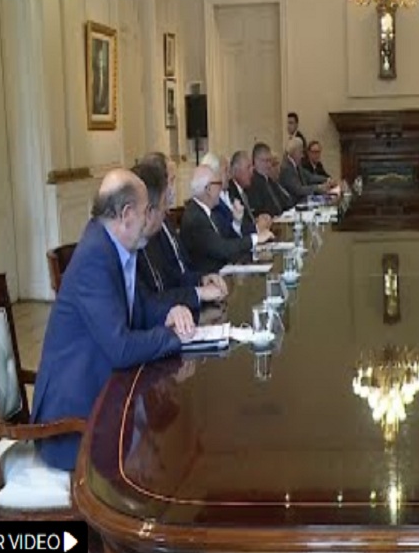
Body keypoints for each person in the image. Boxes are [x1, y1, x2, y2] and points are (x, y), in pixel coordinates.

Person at [31, 168, 195, 471]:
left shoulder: (116, 246)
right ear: (127, 214)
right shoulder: (95, 256)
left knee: (162, 431)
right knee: (155, 457)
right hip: (73, 424)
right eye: (146, 211)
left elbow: (141, 306)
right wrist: (175, 337)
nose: (150, 218)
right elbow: (120, 348)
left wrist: (170, 313)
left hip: (103, 395)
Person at [132, 161, 227, 312]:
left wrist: (201, 280)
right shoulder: (134, 246)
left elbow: (171, 277)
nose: (165, 213)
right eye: (163, 207)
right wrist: (198, 294)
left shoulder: (149, 239)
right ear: (149, 211)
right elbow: (150, 302)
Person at [180, 165, 273, 273]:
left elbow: (227, 240)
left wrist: (237, 222)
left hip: (224, 270)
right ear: (209, 189)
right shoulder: (196, 218)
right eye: (218, 184)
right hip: (210, 276)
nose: (221, 189)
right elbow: (223, 249)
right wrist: (255, 239)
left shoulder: (208, 211)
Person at [228, 150, 274, 235]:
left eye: (252, 167)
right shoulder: (231, 192)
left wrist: (260, 218)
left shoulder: (248, 189)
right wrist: (257, 226)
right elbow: (239, 226)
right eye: (248, 167)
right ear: (236, 171)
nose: (252, 171)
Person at [279, 137, 331, 202]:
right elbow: (298, 190)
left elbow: (310, 177)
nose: (302, 156)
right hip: (293, 204)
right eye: (301, 152)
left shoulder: (297, 165)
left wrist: (327, 179)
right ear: (295, 152)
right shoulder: (287, 168)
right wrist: (318, 187)